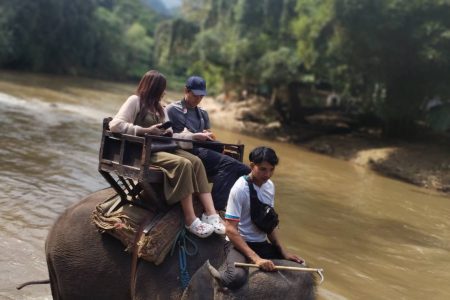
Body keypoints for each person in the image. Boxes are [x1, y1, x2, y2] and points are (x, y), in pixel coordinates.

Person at [108, 70, 225, 238]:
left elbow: (173, 135)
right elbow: (115, 125)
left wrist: (193, 136)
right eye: (162, 88)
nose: (165, 92)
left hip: (162, 147)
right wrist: (145, 130)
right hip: (143, 151)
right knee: (183, 164)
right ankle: (190, 219)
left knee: (196, 161)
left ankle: (211, 214)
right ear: (153, 88)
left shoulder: (160, 108)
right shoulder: (135, 101)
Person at [221, 146, 305, 288]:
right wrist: (256, 259)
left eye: (271, 170)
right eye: (263, 169)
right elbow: (230, 229)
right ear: (252, 166)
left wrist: (282, 251)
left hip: (260, 242)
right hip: (239, 243)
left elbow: (268, 222)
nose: (267, 175)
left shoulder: (269, 186)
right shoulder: (240, 189)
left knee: (299, 267)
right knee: (235, 278)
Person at [165, 76, 251, 211]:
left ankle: (222, 203)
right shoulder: (172, 110)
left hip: (203, 149)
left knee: (244, 169)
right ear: (186, 91)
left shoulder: (203, 113)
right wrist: (193, 136)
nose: (198, 99)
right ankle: (215, 208)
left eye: (201, 96)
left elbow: (208, 133)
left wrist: (207, 134)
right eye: (195, 95)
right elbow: (168, 136)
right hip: (185, 150)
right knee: (232, 166)